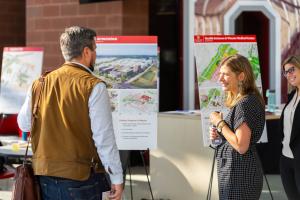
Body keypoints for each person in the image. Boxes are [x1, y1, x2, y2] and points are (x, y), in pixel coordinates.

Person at [17, 26, 123, 200]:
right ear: (86, 52)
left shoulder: (40, 83)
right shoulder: (94, 85)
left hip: (44, 176)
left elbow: (24, 124)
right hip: (82, 179)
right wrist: (117, 178)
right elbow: (104, 138)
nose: (95, 54)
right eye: (95, 50)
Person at [209, 54, 265, 200]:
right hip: (235, 173)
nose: (220, 78)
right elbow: (235, 139)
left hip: (240, 175)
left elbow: (241, 146)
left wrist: (220, 124)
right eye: (220, 74)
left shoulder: (245, 104)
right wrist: (220, 135)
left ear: (241, 76)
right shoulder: (243, 102)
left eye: (226, 74)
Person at [280, 55, 300, 200]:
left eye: (292, 70)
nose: (288, 75)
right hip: (286, 158)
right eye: (286, 72)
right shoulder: (293, 94)